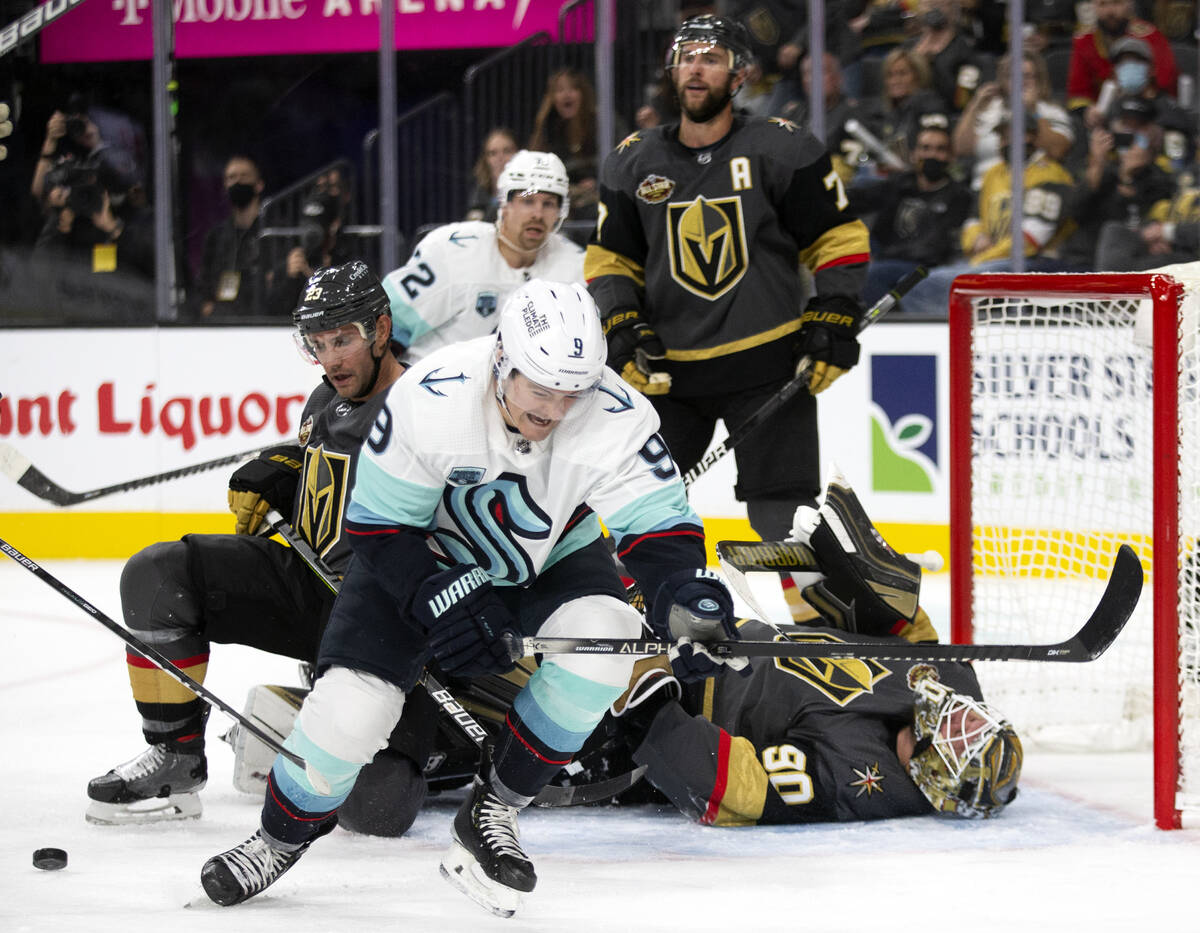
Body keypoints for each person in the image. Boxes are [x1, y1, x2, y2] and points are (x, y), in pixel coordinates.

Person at [198, 279, 744, 917]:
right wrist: (451, 598)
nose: (557, 410)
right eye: (541, 389)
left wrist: (683, 597)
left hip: (549, 555)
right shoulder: (430, 398)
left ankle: (493, 809)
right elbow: (378, 528)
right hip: (415, 561)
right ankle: (277, 839)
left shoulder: (616, 411)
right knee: (352, 713)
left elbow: (659, 528)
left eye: (574, 392)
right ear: (501, 363)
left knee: (605, 638)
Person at [84, 261, 440, 838]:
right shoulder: (326, 401)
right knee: (158, 576)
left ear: (380, 328)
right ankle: (176, 756)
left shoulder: (430, 406)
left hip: (387, 623)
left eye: (344, 340)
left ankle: (337, 725)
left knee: (376, 809)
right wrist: (288, 471)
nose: (331, 360)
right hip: (311, 588)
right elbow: (329, 487)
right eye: (318, 345)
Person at [585, 13, 871, 623]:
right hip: (670, 376)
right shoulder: (632, 163)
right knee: (640, 506)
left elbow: (837, 236)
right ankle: (640, 627)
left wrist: (836, 311)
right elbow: (611, 259)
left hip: (770, 365)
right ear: (671, 69)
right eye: (686, 54)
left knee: (785, 520)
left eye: (712, 57)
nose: (696, 66)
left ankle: (825, 641)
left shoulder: (781, 146)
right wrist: (621, 327)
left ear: (739, 75)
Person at [589, 475, 1022, 826]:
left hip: (663, 709)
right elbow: (894, 628)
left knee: (549, 698)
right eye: (977, 718)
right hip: (706, 637)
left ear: (932, 770)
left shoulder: (857, 780)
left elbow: (730, 787)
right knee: (584, 561)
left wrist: (644, 699)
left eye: (961, 734)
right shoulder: (953, 681)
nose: (964, 713)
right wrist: (834, 576)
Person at [382, 149, 584, 363]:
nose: (538, 213)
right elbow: (387, 324)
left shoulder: (575, 266)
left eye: (549, 203)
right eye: (527, 200)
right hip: (435, 388)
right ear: (504, 203)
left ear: (560, 212)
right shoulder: (453, 251)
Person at [852, 122, 972, 307]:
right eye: (926, 148)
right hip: (888, 258)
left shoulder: (958, 196)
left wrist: (883, 257)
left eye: (940, 149)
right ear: (914, 154)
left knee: (872, 275)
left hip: (924, 265)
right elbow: (858, 199)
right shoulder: (901, 185)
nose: (932, 155)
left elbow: (935, 248)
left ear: (951, 156)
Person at [952, 49, 1074, 192]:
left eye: (1028, 76)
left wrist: (1031, 110)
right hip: (984, 191)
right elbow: (961, 148)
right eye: (1013, 76)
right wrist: (974, 106)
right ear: (1003, 80)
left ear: (1039, 80)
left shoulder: (1051, 111)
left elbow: (1057, 150)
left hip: (1033, 190)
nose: (1021, 81)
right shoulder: (990, 110)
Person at [265, 166, 360, 317]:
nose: (325, 193)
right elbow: (270, 315)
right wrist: (290, 277)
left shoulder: (353, 254)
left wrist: (318, 281)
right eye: (320, 187)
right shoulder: (293, 258)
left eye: (332, 187)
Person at [1066, 0, 1178, 113]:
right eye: (1102, 4)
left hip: (1149, 110)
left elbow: (1166, 82)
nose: (1110, 11)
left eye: (1117, 3)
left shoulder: (1151, 37)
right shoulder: (1084, 42)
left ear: (1129, 4)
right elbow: (1078, 91)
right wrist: (1088, 112)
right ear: (1094, 6)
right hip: (1103, 115)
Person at [194, 154, 267, 319]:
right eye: (231, 177)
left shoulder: (272, 231)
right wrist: (207, 308)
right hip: (222, 321)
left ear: (259, 185)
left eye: (244, 176)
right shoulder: (216, 236)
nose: (237, 182)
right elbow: (203, 280)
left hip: (262, 319)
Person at [528, 68, 603, 220]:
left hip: (594, 195)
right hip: (558, 194)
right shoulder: (547, 127)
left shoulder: (601, 123)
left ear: (583, 94)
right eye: (559, 90)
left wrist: (596, 180)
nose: (566, 94)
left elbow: (614, 160)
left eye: (573, 88)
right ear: (552, 98)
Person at [465, 127, 519, 222]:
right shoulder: (480, 193)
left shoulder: (527, 192)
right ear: (486, 159)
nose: (500, 158)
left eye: (506, 151)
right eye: (493, 153)